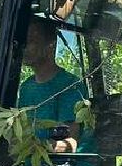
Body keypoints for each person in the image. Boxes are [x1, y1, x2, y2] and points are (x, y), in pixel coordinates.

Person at [17, 16, 87, 154]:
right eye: (23, 41)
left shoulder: (70, 86)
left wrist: (37, 148)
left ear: (51, 45)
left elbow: (70, 142)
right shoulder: (26, 87)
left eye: (31, 41)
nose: (24, 47)